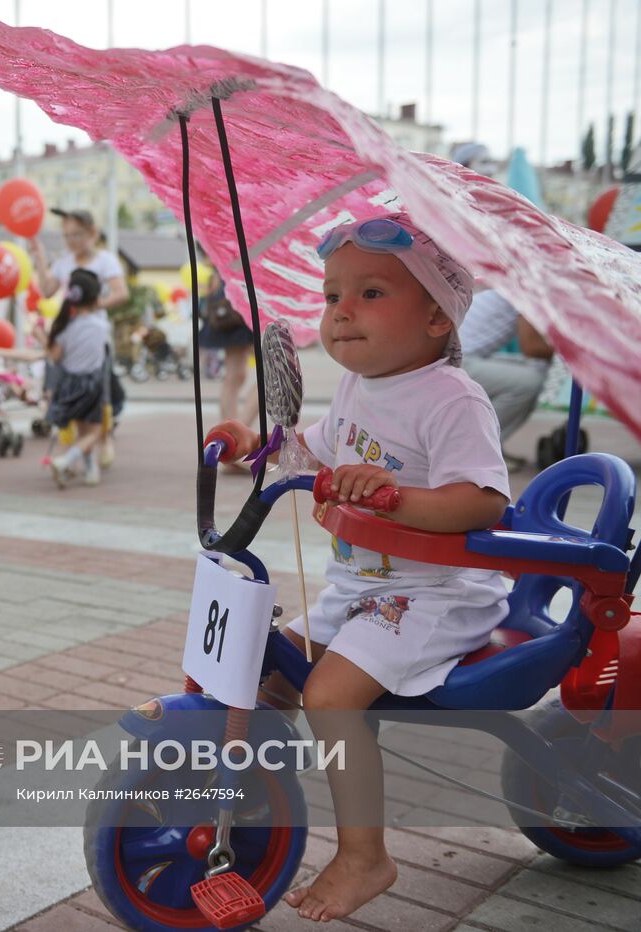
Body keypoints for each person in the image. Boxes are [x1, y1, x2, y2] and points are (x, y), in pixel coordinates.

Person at [209, 214, 510, 922]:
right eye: (330, 294)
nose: (340, 310)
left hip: (433, 594)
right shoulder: (355, 390)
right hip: (363, 591)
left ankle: (366, 854)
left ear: (437, 316)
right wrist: (252, 445)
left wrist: (396, 497)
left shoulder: (451, 397)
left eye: (370, 293)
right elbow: (308, 453)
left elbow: (483, 501)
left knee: (332, 696)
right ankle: (249, 802)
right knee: (270, 673)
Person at [31, 208, 126, 466]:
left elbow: (120, 293)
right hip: (68, 337)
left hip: (95, 340)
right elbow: (48, 290)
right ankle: (84, 455)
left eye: (77, 234)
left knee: (100, 394)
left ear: (92, 233)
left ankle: (103, 440)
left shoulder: (105, 260)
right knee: (74, 396)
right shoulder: (64, 261)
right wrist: (40, 258)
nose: (71, 241)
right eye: (67, 236)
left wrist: (92, 308)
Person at [458, 287, 554, 467]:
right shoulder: (531, 289)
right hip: (457, 360)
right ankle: (481, 453)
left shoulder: (520, 283)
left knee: (534, 372)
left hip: (462, 356)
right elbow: (532, 348)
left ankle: (490, 447)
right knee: (529, 383)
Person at [45, 270, 110, 488]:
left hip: (68, 383)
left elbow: (54, 357)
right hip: (91, 383)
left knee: (83, 432)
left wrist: (42, 338)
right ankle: (66, 461)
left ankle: (90, 471)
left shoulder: (65, 326)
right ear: (95, 297)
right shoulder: (101, 325)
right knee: (94, 432)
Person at [198, 266, 260, 442]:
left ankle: (230, 438)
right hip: (245, 292)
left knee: (234, 376)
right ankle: (235, 438)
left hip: (232, 293)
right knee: (270, 376)